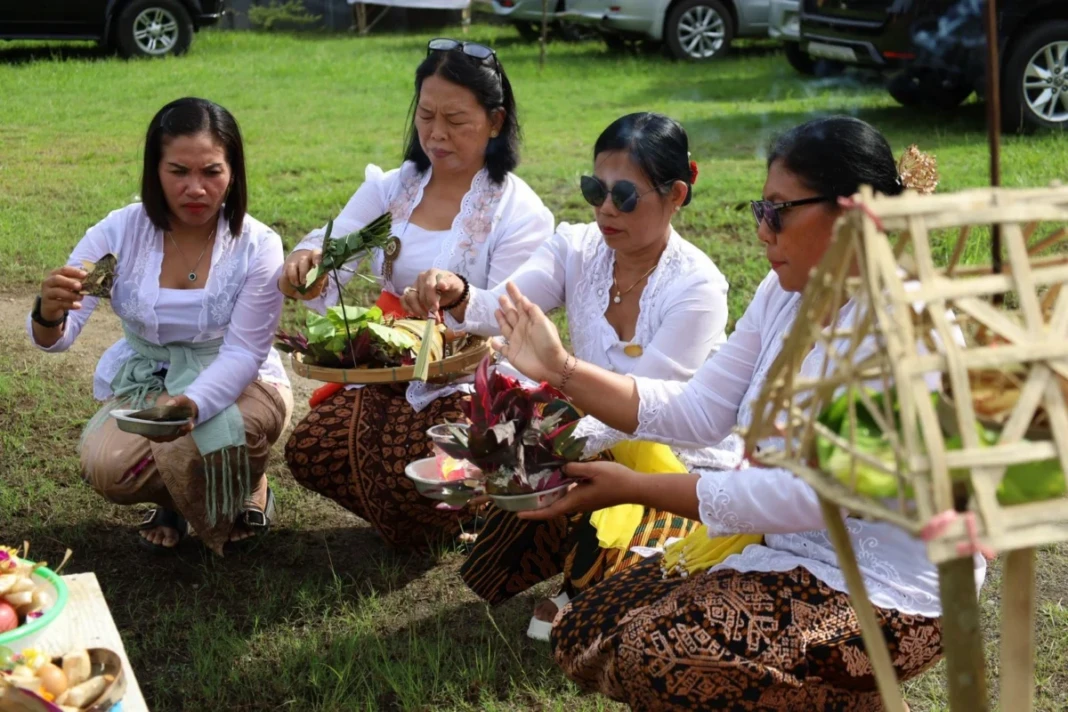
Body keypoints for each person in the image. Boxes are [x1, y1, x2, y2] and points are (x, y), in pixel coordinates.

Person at [491, 116, 980, 709]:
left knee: (654, 652)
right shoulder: (786, 293)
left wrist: (635, 487)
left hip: (889, 591)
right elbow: (701, 410)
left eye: (779, 211)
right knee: (583, 635)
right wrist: (562, 368)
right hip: (788, 548)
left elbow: (809, 495)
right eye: (760, 209)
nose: (762, 232)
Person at [402, 112, 743, 641]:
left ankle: (611, 574)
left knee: (607, 611)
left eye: (625, 196)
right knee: (520, 510)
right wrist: (460, 293)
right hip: (588, 437)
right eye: (595, 189)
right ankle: (584, 566)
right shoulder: (579, 247)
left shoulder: (697, 288)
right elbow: (507, 305)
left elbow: (641, 416)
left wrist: (518, 456)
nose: (605, 208)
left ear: (677, 193)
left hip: (676, 459)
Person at [281, 38, 553, 549]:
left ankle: (459, 510)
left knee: (428, 473)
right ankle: (436, 516)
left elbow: (510, 315)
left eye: (456, 120)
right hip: (391, 368)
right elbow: (333, 244)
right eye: (426, 116)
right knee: (311, 451)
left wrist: (457, 297)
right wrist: (308, 262)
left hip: (473, 378)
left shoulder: (519, 212)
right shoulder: (393, 188)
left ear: (495, 122)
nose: (436, 134)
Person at [29, 97, 292, 557]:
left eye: (212, 172)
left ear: (233, 173)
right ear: (155, 171)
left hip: (243, 380)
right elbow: (59, 337)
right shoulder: (117, 232)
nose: (196, 188)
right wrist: (48, 312)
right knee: (108, 466)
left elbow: (245, 353)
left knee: (225, 432)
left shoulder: (259, 244)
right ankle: (175, 500)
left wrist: (190, 403)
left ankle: (251, 485)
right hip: (149, 376)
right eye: (178, 171)